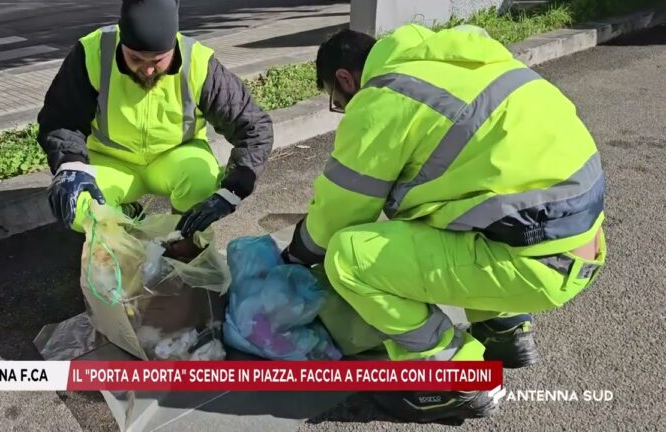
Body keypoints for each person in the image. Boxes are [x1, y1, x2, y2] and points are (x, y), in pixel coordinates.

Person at [281, 23, 606, 423]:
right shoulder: (461, 59)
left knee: (349, 257)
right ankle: (505, 332)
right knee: (446, 201)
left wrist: (297, 253)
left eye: (336, 99)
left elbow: (338, 213)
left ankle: (456, 378)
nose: (343, 108)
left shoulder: (385, 96)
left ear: (345, 80)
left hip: (536, 265)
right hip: (583, 244)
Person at [37, 0, 273, 237]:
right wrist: (71, 164)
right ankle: (124, 216)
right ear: (122, 43)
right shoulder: (92, 53)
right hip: (111, 160)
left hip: (175, 155)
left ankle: (184, 237)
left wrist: (232, 190)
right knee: (78, 206)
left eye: (158, 60)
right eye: (136, 59)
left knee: (201, 182)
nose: (148, 70)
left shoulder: (198, 62)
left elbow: (253, 127)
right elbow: (61, 119)